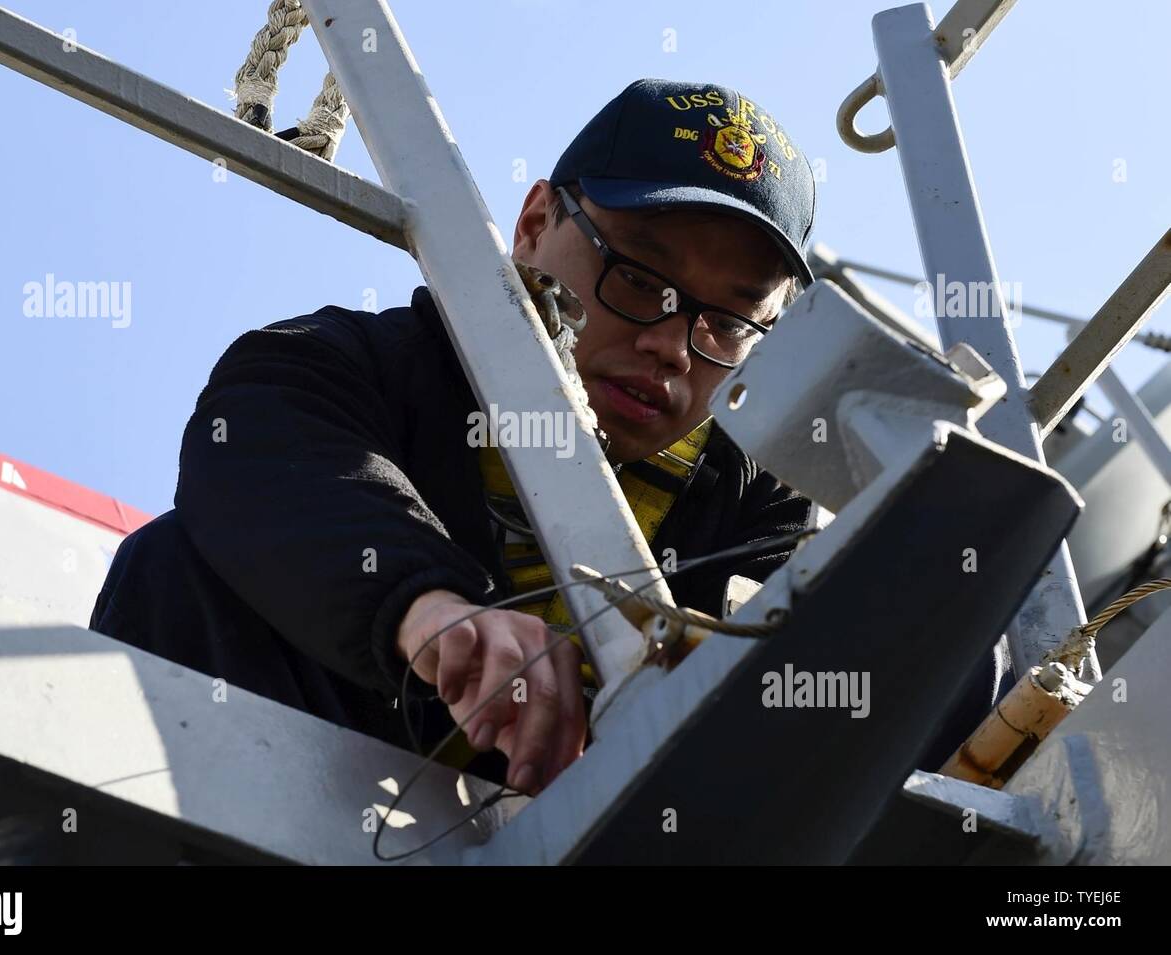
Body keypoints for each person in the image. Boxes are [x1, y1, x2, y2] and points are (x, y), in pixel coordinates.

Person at [90, 78, 820, 795]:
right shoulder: (349, 367)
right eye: (637, 278)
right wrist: (434, 610)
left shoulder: (764, 505)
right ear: (534, 224)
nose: (673, 346)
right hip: (332, 804)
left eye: (729, 323)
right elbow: (263, 447)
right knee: (179, 563)